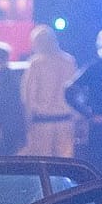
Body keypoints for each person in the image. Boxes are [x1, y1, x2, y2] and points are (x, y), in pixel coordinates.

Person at [65, 28, 102, 170]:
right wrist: (89, 114)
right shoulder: (94, 68)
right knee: (99, 166)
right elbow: (69, 91)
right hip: (101, 126)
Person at [20, 25, 77, 157]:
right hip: (65, 121)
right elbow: (75, 93)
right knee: (65, 165)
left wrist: (27, 120)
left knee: (44, 165)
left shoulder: (35, 64)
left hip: (42, 122)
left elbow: (28, 96)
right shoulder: (69, 61)